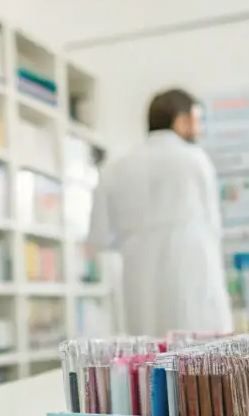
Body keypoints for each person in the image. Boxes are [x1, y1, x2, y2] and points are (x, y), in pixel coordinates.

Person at [87, 88, 232, 336]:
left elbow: (99, 238)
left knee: (149, 364)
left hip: (140, 292)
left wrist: (136, 238)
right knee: (201, 365)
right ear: (181, 120)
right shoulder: (195, 160)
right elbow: (213, 228)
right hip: (195, 290)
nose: (199, 130)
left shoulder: (115, 168)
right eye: (197, 121)